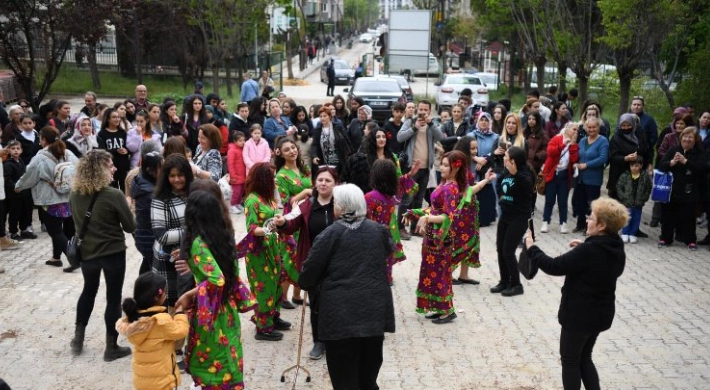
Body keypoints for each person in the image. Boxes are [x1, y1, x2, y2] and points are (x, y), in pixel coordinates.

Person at [298, 183, 395, 389]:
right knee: (368, 378)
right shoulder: (379, 231)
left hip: (340, 318)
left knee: (344, 380)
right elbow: (387, 253)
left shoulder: (329, 234)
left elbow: (307, 277)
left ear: (340, 207)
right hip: (373, 314)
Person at [525, 197, 627, 390]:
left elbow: (554, 266)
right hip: (599, 315)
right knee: (584, 358)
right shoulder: (614, 246)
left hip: (579, 316)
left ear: (602, 225)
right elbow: (602, 263)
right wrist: (584, 248)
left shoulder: (590, 250)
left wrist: (532, 248)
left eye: (591, 218)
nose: (587, 219)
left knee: (571, 361)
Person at [176, 190, 256, 389]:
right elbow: (231, 275)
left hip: (211, 312)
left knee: (213, 364)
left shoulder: (197, 243)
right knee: (229, 358)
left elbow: (217, 279)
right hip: (227, 309)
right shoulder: (224, 238)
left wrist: (189, 294)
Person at [68, 149, 136, 361]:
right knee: (113, 299)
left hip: (88, 253)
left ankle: (78, 339)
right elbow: (129, 226)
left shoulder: (74, 194)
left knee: (88, 292)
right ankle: (111, 347)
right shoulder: (113, 194)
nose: (114, 168)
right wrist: (129, 207)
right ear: (100, 170)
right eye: (110, 165)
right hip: (113, 253)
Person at [273, 166, 339, 360]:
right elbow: (291, 223)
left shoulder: (342, 204)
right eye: (320, 180)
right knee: (316, 304)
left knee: (337, 303)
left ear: (335, 184)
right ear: (315, 183)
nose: (323, 183)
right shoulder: (306, 205)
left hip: (338, 263)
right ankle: (319, 342)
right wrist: (281, 222)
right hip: (313, 263)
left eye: (328, 180)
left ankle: (336, 339)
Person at [404, 151, 469, 323]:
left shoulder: (451, 188)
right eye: (442, 163)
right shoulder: (444, 183)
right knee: (432, 273)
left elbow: (448, 216)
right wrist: (415, 213)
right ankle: (439, 308)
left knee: (440, 275)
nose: (442, 167)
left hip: (441, 239)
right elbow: (434, 209)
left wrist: (426, 218)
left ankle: (447, 310)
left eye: (446, 165)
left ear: (456, 168)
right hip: (432, 237)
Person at [242, 162, 295, 341]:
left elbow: (273, 216)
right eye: (271, 178)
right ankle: (263, 328)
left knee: (277, 282)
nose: (274, 181)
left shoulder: (268, 198)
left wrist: (277, 221)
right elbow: (252, 229)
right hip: (259, 252)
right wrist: (267, 230)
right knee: (264, 287)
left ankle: (274, 317)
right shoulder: (252, 200)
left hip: (273, 247)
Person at [15, 127, 79, 271]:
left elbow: (30, 176)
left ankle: (74, 258)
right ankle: (56, 258)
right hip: (69, 197)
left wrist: (18, 186)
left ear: (43, 140)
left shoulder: (40, 157)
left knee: (55, 231)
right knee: (67, 230)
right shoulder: (68, 153)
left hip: (49, 199)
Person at [115, 272, 189, 390]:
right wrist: (180, 312)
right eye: (164, 291)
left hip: (142, 380)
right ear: (156, 296)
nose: (166, 293)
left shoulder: (134, 319)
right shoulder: (160, 321)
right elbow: (180, 331)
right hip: (162, 381)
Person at [151, 154, 194, 318]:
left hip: (191, 256)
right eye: (172, 176)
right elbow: (161, 235)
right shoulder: (160, 199)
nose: (177, 180)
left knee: (191, 302)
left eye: (180, 175)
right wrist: (191, 231)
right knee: (172, 307)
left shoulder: (194, 192)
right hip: (168, 259)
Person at [366, 158, 420, 283]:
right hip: (387, 236)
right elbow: (401, 185)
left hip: (372, 236)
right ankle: (387, 279)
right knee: (386, 262)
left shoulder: (370, 197)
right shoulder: (391, 197)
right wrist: (410, 175)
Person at [396, 100, 445, 238]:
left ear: (429, 111)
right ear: (417, 109)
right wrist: (414, 128)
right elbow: (399, 137)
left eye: (426, 109)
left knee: (418, 200)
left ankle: (415, 228)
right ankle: (400, 228)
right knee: (406, 200)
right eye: (421, 109)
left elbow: (441, 137)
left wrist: (430, 124)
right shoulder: (410, 122)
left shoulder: (432, 124)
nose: (423, 112)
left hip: (426, 168)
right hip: (412, 168)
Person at [492, 146, 534, 297]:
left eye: (507, 157)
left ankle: (516, 285)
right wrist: (503, 202)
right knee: (500, 249)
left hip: (519, 218)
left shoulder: (525, 174)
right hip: (505, 216)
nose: (504, 159)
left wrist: (516, 174)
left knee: (508, 251)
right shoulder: (505, 172)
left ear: (514, 161)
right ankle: (504, 281)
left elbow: (526, 190)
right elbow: (500, 188)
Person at [657, 127, 708, 250]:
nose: (687, 139)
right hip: (671, 190)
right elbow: (661, 166)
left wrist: (686, 161)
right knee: (667, 216)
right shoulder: (673, 150)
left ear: (695, 140)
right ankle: (665, 238)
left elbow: (702, 169)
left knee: (688, 217)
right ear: (681, 138)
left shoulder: (700, 152)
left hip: (690, 190)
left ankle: (690, 240)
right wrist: (672, 162)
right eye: (685, 136)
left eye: (690, 137)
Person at [571, 117, 609, 233]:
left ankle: (590, 227)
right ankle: (580, 223)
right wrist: (575, 163)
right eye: (589, 127)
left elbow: (603, 158)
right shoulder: (582, 141)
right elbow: (578, 154)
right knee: (579, 201)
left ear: (598, 127)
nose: (591, 129)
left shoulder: (603, 141)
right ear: (585, 128)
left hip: (593, 178)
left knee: (591, 204)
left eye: (594, 127)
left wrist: (586, 165)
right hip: (580, 178)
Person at [541, 122, 580, 234]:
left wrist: (572, 145)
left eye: (577, 130)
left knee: (563, 201)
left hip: (564, 175)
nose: (575, 132)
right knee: (549, 200)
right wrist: (563, 145)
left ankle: (563, 223)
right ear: (567, 129)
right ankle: (545, 222)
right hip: (552, 174)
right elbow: (550, 152)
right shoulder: (557, 139)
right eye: (574, 129)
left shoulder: (574, 144)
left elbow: (574, 159)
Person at [131, 150, 163, 275]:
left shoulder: (141, 180)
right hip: (149, 238)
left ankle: (141, 291)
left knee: (148, 265)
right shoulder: (150, 193)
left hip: (143, 236)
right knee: (154, 270)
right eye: (161, 168)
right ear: (150, 170)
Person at [607, 113, 651, 200]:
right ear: (619, 125)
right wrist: (625, 158)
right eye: (623, 126)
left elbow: (646, 151)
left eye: (628, 125)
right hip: (619, 175)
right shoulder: (616, 138)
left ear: (633, 125)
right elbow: (613, 157)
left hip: (636, 173)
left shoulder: (639, 136)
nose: (626, 128)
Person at [469, 112, 500, 228]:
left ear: (490, 122)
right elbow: (464, 149)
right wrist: (477, 158)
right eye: (481, 120)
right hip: (473, 167)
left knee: (487, 193)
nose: (483, 122)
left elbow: (498, 153)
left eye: (486, 120)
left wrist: (485, 159)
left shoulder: (495, 137)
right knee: (474, 192)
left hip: (488, 168)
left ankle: (485, 218)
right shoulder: (471, 135)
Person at [3, 140, 36, 240]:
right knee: (14, 214)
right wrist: (15, 187)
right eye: (13, 149)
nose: (15, 151)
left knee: (24, 212)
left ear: (21, 150)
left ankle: (24, 230)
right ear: (8, 150)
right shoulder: (8, 164)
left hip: (24, 193)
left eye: (18, 148)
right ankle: (13, 232)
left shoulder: (21, 161)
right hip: (14, 194)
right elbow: (7, 180)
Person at [616, 156, 652, 244]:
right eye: (632, 166)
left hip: (638, 203)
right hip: (627, 202)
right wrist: (623, 196)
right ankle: (625, 233)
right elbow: (619, 187)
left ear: (641, 166)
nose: (634, 168)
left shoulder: (645, 176)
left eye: (636, 166)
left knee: (636, 218)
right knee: (626, 218)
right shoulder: (625, 175)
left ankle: (633, 234)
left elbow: (648, 187)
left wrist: (644, 197)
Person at [312, 106, 353, 175]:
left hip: (338, 159)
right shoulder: (317, 130)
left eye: (325, 116)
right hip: (323, 159)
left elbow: (346, 139)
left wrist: (350, 154)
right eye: (321, 116)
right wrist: (314, 156)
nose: (322, 118)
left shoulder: (337, 126)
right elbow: (315, 145)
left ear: (330, 116)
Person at [97, 108, 130, 192]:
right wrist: (116, 151)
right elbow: (102, 150)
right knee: (112, 189)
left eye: (118, 117)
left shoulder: (122, 132)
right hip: (110, 166)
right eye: (114, 117)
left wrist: (126, 151)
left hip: (122, 165)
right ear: (108, 119)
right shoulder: (102, 133)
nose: (117, 119)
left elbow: (129, 147)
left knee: (124, 189)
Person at [227, 131, 247, 214]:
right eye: (240, 140)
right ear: (235, 141)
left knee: (241, 191)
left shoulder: (243, 149)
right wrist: (233, 176)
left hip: (243, 175)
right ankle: (232, 205)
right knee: (236, 192)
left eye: (243, 140)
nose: (243, 142)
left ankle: (237, 204)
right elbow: (230, 164)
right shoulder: (232, 150)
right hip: (236, 176)